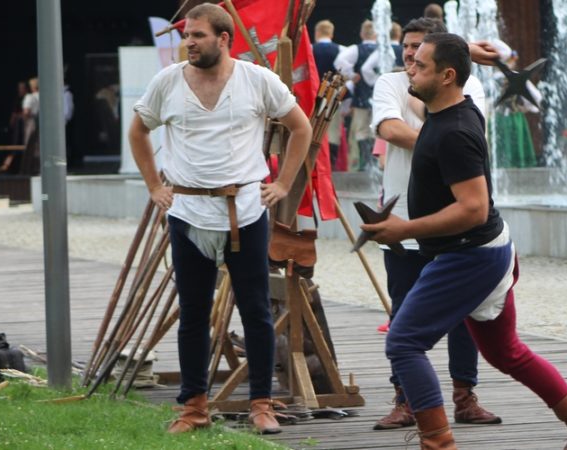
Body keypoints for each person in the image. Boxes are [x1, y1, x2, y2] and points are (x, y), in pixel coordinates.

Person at [361, 32, 567, 449]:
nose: (411, 69)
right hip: (484, 252)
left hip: (470, 257)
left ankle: (438, 444)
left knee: (404, 342)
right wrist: (468, 50)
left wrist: (403, 229)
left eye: (420, 66)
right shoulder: (450, 110)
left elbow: (474, 209)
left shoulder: (455, 131)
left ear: (446, 76)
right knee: (506, 352)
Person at [127, 4, 313, 435]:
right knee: (194, 312)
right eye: (187, 35)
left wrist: (283, 184)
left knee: (255, 310)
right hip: (189, 211)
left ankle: (261, 404)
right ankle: (194, 407)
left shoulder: (257, 79)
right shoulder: (168, 81)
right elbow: (138, 130)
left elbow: (300, 127)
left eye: (198, 35)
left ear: (224, 38)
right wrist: (154, 185)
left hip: (244, 211)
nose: (189, 42)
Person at [368, 17, 501, 432]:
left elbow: (464, 128)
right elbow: (389, 129)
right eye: (407, 46)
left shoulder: (467, 86)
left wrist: (434, 134)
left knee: (466, 316)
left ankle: (465, 395)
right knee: (403, 311)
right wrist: (436, 135)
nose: (411, 54)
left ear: (443, 63)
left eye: (420, 49)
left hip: (455, 229)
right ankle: (405, 400)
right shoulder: (390, 83)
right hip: (402, 221)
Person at [335, 20, 379, 171]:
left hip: (361, 93)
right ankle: (373, 162)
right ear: (376, 34)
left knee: (361, 129)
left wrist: (352, 75)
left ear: (362, 34)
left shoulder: (355, 49)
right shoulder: (382, 50)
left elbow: (339, 62)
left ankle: (365, 162)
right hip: (379, 95)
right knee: (376, 127)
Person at [313, 19, 344, 169]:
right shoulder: (342, 50)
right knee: (332, 131)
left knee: (312, 128)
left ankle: (314, 162)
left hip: (313, 95)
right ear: (331, 33)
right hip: (333, 96)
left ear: (317, 33)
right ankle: (331, 165)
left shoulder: (310, 49)